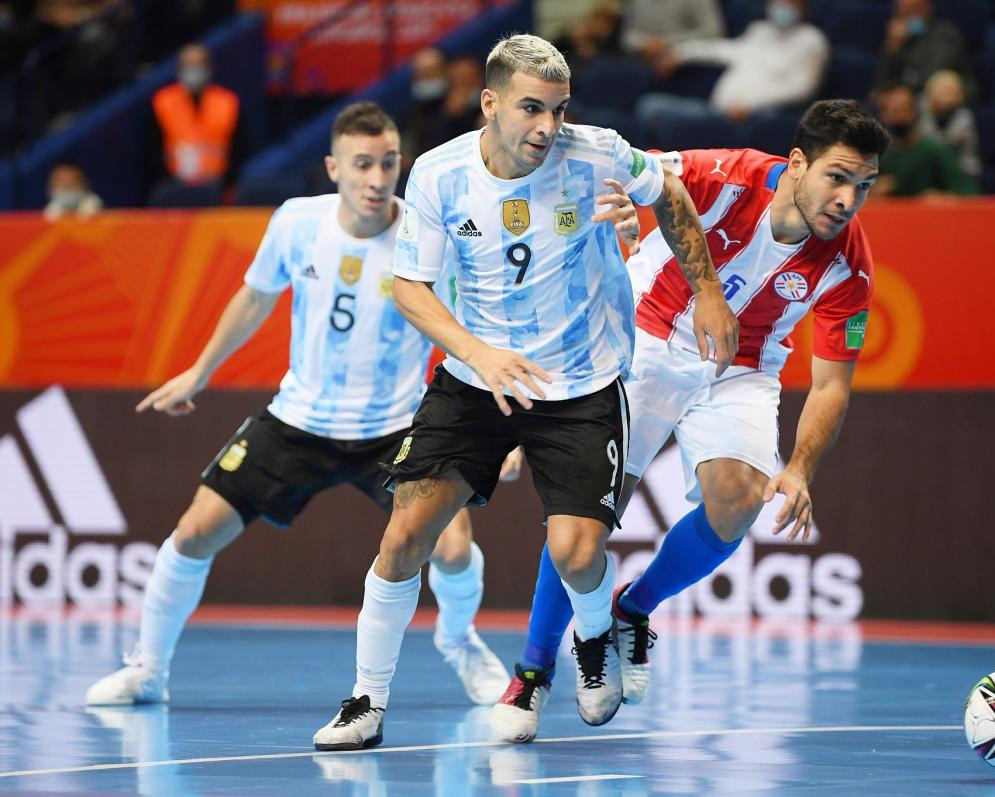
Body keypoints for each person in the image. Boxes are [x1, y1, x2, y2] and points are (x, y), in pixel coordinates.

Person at [311, 33, 738, 752]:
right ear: (490, 104)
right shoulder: (440, 175)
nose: (548, 127)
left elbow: (667, 190)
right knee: (405, 535)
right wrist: (478, 353)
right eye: (532, 109)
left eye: (559, 110)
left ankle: (595, 639)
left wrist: (707, 292)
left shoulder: (596, 151)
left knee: (576, 553)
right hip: (477, 378)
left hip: (581, 379)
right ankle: (366, 701)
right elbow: (410, 288)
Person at [84, 102, 513, 710]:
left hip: (397, 429)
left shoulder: (425, 233)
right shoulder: (296, 221)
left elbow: (468, 329)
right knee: (193, 534)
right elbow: (254, 299)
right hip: (298, 420)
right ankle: (147, 669)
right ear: (333, 167)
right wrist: (199, 372)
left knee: (452, 547)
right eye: (362, 164)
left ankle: (460, 642)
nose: (376, 178)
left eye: (388, 163)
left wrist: (499, 427)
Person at [490, 99, 891, 743]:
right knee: (585, 514)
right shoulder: (724, 174)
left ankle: (632, 610)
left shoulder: (849, 264)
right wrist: (618, 204)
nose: (848, 199)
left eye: (863, 187)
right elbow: (632, 169)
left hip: (743, 367)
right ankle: (533, 674)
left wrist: (800, 468)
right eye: (837, 177)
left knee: (736, 505)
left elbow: (832, 383)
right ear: (796, 164)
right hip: (644, 339)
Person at [637, 0, 829, 125]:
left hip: (753, 120)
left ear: (802, 7)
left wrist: (750, 106)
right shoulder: (760, 30)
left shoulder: (812, 40)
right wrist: (680, 53)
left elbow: (801, 88)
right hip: (714, 111)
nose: (781, 6)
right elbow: (722, 50)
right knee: (651, 105)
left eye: (789, 3)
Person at [146, 43, 244, 194]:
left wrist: (227, 183)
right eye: (189, 65)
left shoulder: (228, 102)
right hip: (174, 188)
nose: (194, 70)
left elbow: (240, 149)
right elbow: (151, 150)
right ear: (179, 68)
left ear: (209, 67)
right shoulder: (162, 101)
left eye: (199, 64)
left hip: (218, 188)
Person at [871, 83, 976, 197]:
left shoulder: (934, 150)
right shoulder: (875, 154)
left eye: (904, 109)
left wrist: (943, 197)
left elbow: (969, 193)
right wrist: (871, 192)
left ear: (915, 111)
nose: (899, 117)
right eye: (893, 111)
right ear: (882, 115)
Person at [874, 0, 977, 102]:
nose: (907, 16)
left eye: (913, 9)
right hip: (906, 101)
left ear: (928, 9)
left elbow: (933, 73)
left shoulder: (945, 33)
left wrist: (904, 91)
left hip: (944, 100)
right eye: (903, 11)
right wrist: (893, 49)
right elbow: (881, 83)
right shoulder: (896, 40)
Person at [919, 69, 980, 180]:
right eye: (943, 93)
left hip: (959, 171)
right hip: (928, 173)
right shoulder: (922, 118)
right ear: (931, 94)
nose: (949, 98)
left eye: (953, 93)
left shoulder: (965, 117)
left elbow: (969, 158)